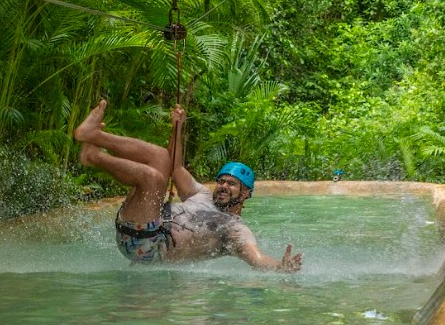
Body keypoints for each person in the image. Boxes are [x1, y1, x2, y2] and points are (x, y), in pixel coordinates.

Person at [74, 100, 302, 272]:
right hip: (141, 226)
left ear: (246, 193)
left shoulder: (235, 230)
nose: (223, 186)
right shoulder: (201, 193)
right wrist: (178, 126)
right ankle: (94, 136)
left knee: (153, 179)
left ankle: (93, 156)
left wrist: (279, 267)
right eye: (221, 181)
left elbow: (257, 258)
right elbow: (175, 166)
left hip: (150, 250)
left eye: (232, 184)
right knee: (162, 158)